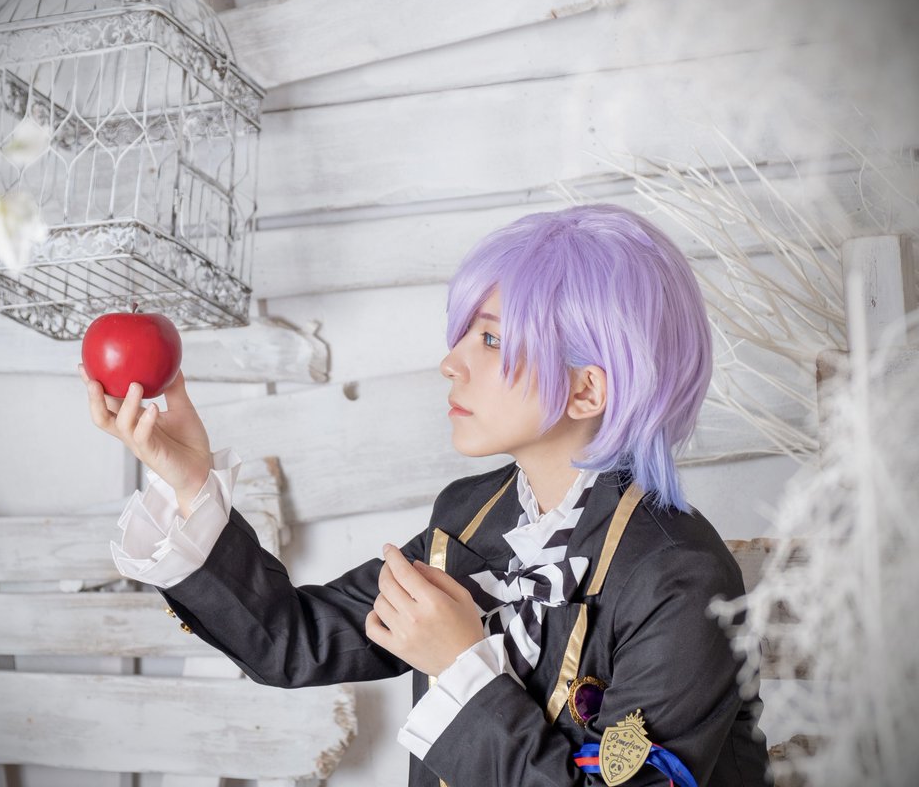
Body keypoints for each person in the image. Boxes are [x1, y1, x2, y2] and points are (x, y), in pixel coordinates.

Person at [81, 204, 772, 787]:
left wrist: (460, 665)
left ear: (587, 389)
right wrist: (190, 480)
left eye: (491, 338)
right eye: (466, 332)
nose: (450, 362)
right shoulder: (468, 519)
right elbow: (293, 640)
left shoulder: (678, 578)